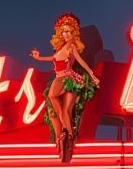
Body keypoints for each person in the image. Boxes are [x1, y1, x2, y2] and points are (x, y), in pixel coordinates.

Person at [30, 12, 101, 152]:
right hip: (59, 77)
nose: (66, 34)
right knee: (62, 110)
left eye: (69, 31)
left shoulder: (71, 47)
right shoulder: (60, 49)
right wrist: (38, 58)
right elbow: (52, 58)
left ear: (73, 33)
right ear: (59, 34)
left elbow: (81, 61)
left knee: (57, 102)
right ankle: (66, 132)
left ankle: (68, 133)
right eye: (63, 31)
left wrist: (92, 74)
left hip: (67, 78)